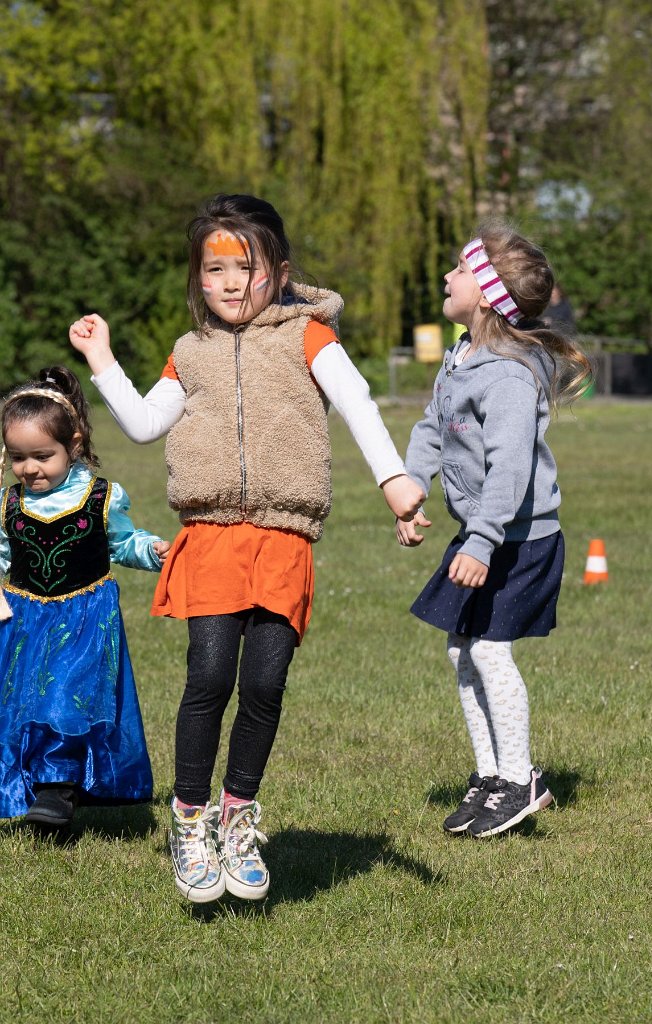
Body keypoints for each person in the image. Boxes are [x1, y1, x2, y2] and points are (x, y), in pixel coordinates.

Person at [69, 193, 424, 903]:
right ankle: (190, 821)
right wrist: (101, 358)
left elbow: (356, 401)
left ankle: (237, 817)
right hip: (210, 539)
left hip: (283, 536)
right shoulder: (188, 353)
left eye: (246, 266)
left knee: (263, 684)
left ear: (279, 270)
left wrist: (395, 480)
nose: (230, 282)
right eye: (214, 268)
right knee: (208, 678)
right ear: (197, 278)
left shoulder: (307, 338)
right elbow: (142, 425)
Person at [397, 224, 591, 839]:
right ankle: (489, 776)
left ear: (485, 293)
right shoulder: (461, 358)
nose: (448, 277)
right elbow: (432, 427)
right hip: (482, 532)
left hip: (517, 537)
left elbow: (510, 468)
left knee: (487, 649)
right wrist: (411, 487)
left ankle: (519, 781)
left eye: (459, 268)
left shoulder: (507, 375)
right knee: (460, 649)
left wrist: (480, 543)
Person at [0, 366, 170, 828]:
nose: (30, 468)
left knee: (67, 698)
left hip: (86, 618)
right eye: (18, 457)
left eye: (41, 455)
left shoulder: (101, 497)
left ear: (73, 445)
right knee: (27, 703)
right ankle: (37, 785)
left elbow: (122, 543)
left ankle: (59, 789)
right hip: (24, 620)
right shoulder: (8, 504)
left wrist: (153, 551)